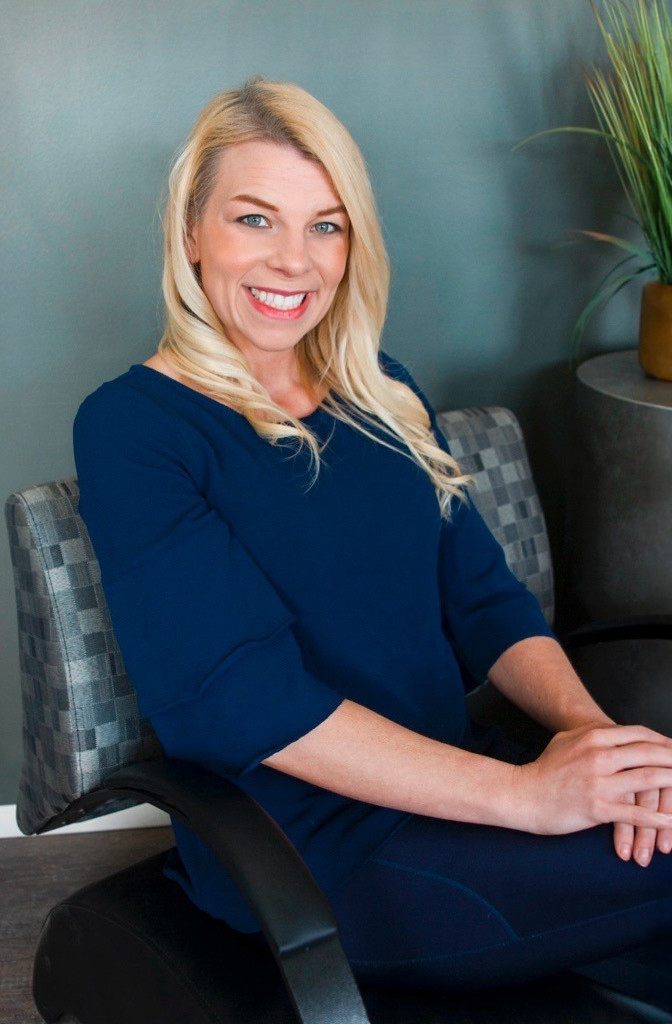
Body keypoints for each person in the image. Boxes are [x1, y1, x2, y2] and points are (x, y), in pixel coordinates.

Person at [72, 75, 672, 1001]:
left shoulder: (379, 390)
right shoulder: (135, 428)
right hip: (309, 854)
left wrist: (599, 750)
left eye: (326, 224)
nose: (294, 261)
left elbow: (482, 600)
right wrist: (529, 796)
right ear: (190, 233)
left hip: (459, 784)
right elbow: (241, 698)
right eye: (254, 219)